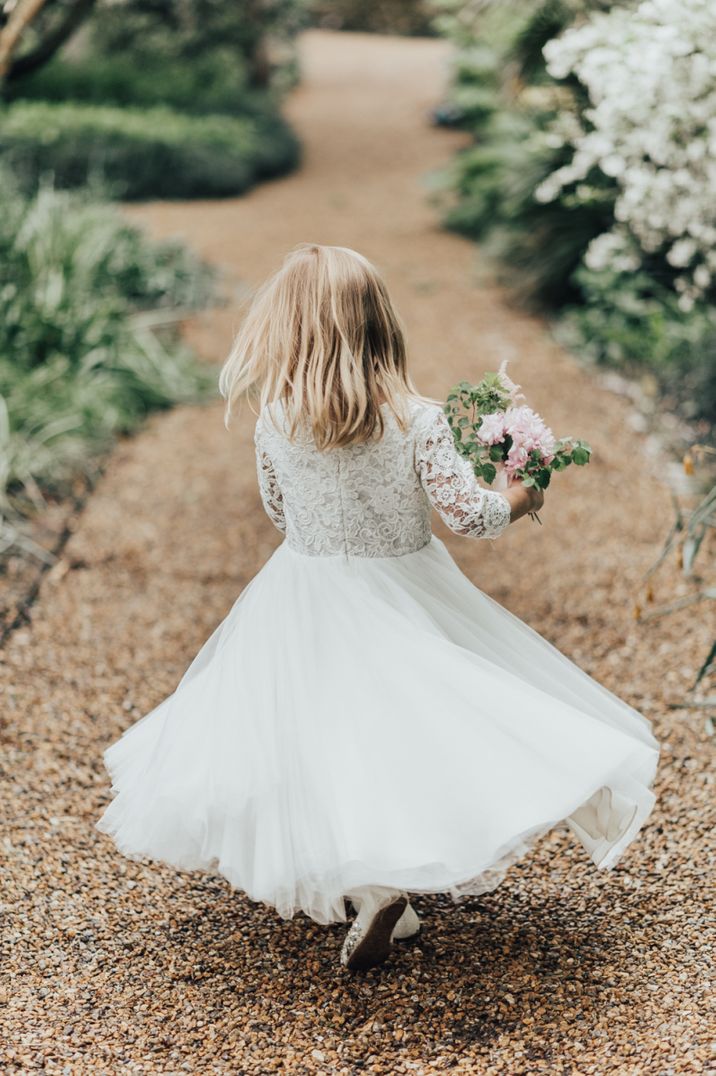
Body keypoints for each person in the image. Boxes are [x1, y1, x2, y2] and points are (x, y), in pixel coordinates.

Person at [97, 244, 659, 972]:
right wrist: (526, 492)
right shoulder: (417, 420)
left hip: (303, 592)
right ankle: (389, 882)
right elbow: (472, 517)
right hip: (402, 587)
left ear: (290, 330)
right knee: (409, 731)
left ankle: (371, 891)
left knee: (321, 737)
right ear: (379, 326)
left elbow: (279, 511)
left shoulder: (277, 418)